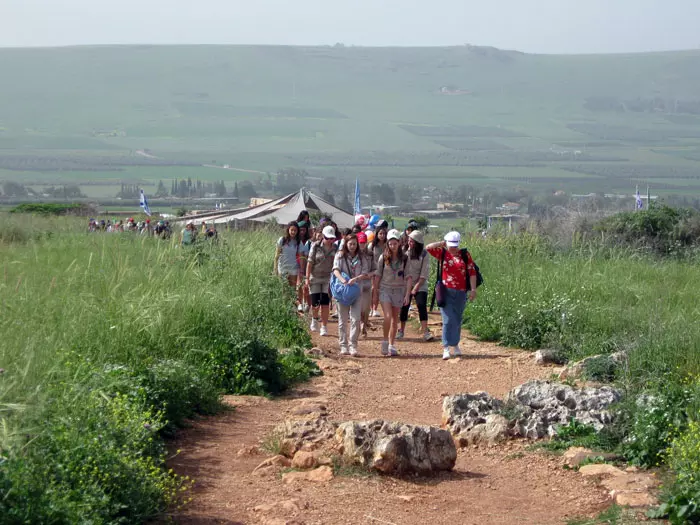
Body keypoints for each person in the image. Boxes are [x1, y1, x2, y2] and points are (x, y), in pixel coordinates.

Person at [426, 231, 478, 360]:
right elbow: (427, 247)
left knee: (457, 319)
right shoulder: (443, 253)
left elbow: (472, 272)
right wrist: (441, 243)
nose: (453, 248)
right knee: (448, 320)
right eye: (450, 245)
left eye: (455, 245)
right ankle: (446, 347)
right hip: (446, 291)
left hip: (461, 292)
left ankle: (455, 344)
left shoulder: (465, 255)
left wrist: (473, 290)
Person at [332, 234, 372, 356]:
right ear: (346, 244)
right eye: (350, 244)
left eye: (355, 244)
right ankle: (343, 345)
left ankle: (353, 345)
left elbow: (366, 272)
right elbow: (335, 269)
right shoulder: (340, 255)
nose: (353, 246)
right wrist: (342, 280)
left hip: (357, 291)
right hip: (343, 291)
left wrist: (357, 278)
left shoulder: (362, 257)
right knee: (342, 320)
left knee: (356, 319)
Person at [374, 229, 410, 356]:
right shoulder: (383, 258)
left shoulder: (405, 258)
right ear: (387, 244)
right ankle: (384, 341)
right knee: (388, 316)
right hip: (385, 289)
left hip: (399, 290)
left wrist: (407, 294)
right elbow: (378, 275)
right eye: (390, 244)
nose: (393, 246)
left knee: (395, 319)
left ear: (399, 243)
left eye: (395, 243)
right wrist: (376, 292)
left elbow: (408, 277)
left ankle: (391, 344)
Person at [399, 230, 434, 342]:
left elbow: (424, 274)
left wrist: (416, 287)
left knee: (421, 305)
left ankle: (425, 332)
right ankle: (401, 330)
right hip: (406, 284)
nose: (409, 243)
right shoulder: (404, 252)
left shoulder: (424, 254)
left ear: (418, 243)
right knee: (404, 307)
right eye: (409, 240)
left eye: (412, 241)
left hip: (420, 284)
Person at [305, 225, 338, 336]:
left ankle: (324, 326)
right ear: (323, 236)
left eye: (332, 238)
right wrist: (307, 278)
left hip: (327, 278)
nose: (330, 240)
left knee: (325, 303)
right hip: (314, 277)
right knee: (315, 303)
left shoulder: (335, 248)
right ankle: (314, 319)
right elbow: (309, 263)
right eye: (327, 238)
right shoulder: (315, 246)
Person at [357, 231, 376, 337]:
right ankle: (360, 324)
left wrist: (370, 274)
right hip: (356, 284)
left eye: (364, 242)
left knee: (366, 308)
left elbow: (375, 269)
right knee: (358, 307)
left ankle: (364, 324)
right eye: (360, 242)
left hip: (367, 284)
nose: (362, 244)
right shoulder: (353, 253)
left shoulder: (370, 253)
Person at [368, 224, 388, 317]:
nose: (382, 235)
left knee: (378, 290)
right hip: (374, 270)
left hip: (384, 271)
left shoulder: (387, 245)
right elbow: (367, 256)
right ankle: (371, 309)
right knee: (373, 289)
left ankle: (375, 308)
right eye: (380, 233)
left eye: (384, 233)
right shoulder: (372, 245)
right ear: (377, 234)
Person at [274, 221, 301, 290]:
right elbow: (276, 256)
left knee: (292, 290)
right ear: (288, 229)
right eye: (292, 230)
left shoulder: (298, 242)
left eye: (295, 230)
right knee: (284, 290)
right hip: (283, 268)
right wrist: (275, 269)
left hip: (293, 268)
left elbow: (299, 256)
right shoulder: (282, 240)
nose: (293, 232)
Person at [297, 221, 312, 312]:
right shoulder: (295, 240)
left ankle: (306, 302)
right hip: (296, 265)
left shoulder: (308, 242)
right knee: (298, 285)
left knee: (306, 286)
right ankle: (299, 302)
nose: (302, 232)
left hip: (307, 265)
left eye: (304, 230)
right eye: (300, 230)